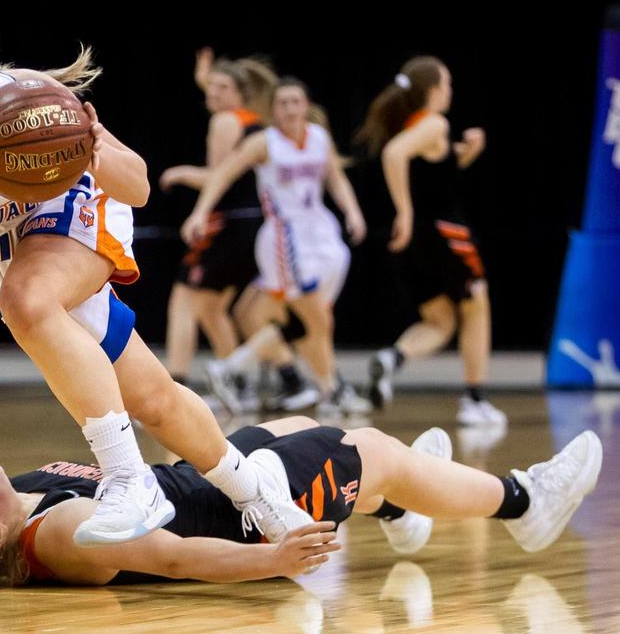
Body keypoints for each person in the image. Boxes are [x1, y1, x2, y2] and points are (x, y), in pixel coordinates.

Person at [0, 11, 311, 548]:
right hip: (5, 256)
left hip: (70, 210)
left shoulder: (30, 103)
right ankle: (256, 491)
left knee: (27, 300)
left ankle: (131, 480)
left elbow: (139, 187)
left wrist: (96, 150)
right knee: (153, 400)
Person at [0, 352, 602, 589]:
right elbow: (171, 557)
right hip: (234, 520)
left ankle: (396, 510)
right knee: (370, 447)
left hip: (206, 476)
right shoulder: (57, 535)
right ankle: (525, 501)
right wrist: (272, 561)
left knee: (310, 427)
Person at [184, 78, 370, 418]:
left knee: (301, 322)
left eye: (294, 102)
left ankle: (232, 370)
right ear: (273, 110)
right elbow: (222, 174)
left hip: (324, 238)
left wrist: (353, 211)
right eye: (281, 103)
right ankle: (332, 389)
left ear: (305, 105)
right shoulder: (263, 143)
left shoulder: (319, 138)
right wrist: (199, 213)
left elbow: (336, 178)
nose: (288, 109)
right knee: (315, 319)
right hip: (287, 240)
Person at [159, 51, 311, 415]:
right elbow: (229, 96)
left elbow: (218, 176)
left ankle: (174, 393)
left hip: (230, 224)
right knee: (213, 309)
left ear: (238, 93)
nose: (212, 92)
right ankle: (241, 384)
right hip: (256, 227)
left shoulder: (225, 120)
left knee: (184, 300)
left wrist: (179, 173)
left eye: (221, 87)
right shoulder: (255, 122)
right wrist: (210, 80)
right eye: (210, 87)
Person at [357, 57, 503, 425]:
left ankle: (393, 358)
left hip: (415, 245)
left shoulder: (417, 127)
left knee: (440, 322)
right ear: (434, 89)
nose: (451, 91)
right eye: (448, 83)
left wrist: (468, 152)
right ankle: (474, 400)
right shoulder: (434, 123)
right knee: (477, 306)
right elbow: (394, 155)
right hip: (444, 235)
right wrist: (403, 210)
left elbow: (436, 176)